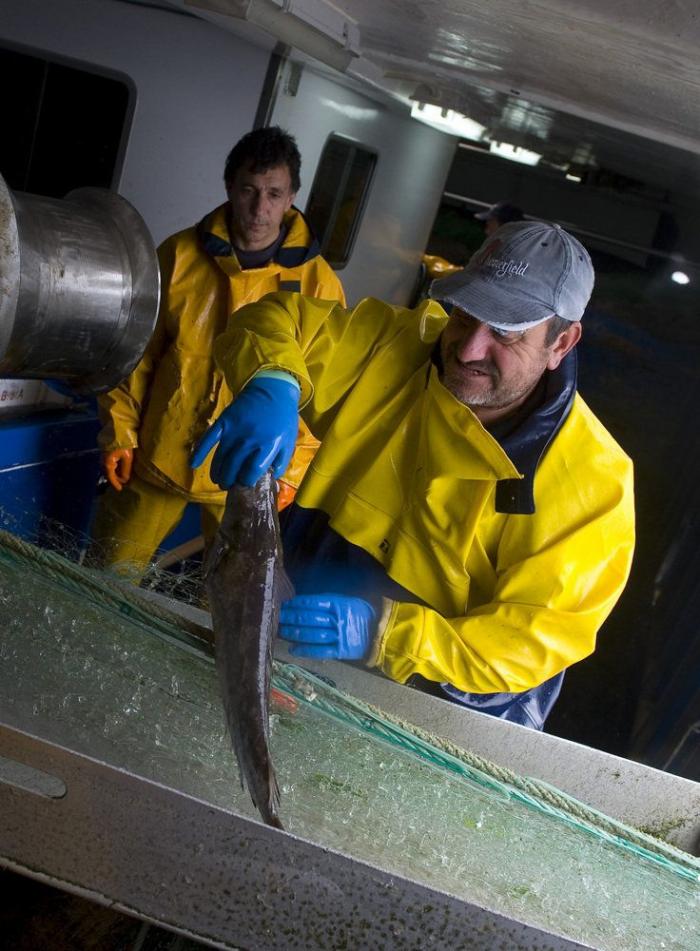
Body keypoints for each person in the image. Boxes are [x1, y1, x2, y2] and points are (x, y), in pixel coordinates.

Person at [192, 221, 635, 730]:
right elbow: (274, 318)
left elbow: (528, 645)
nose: (468, 349)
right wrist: (271, 378)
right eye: (465, 315)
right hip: (294, 628)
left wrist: (385, 631)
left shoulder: (595, 485)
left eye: (505, 333)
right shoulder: (392, 346)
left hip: (435, 702)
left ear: (563, 342)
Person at [91, 126, 345, 575]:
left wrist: (294, 470)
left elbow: (324, 391)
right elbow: (136, 352)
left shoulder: (318, 284)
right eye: (248, 190)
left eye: (273, 193)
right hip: (157, 458)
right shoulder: (179, 254)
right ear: (229, 186)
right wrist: (120, 432)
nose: (259, 208)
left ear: (291, 197)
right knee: (108, 573)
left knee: (230, 604)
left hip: (250, 472)